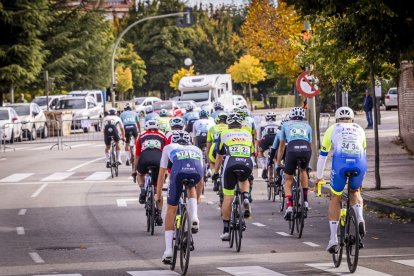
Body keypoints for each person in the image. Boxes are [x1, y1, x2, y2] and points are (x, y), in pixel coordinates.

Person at [316, 107, 367, 253]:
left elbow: (323, 156)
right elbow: (363, 153)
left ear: (337, 119)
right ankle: (360, 217)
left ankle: (333, 240)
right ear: (352, 119)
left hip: (340, 165)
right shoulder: (359, 129)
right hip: (359, 164)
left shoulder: (332, 129)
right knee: (355, 191)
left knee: (335, 196)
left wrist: (319, 178)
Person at [156, 130, 203, 264]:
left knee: (171, 210)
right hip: (195, 172)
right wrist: (198, 198)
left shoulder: (168, 147)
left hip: (178, 172)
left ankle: (168, 250)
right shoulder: (197, 149)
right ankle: (194, 216)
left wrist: (158, 194)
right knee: (191, 186)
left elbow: (161, 174)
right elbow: (201, 180)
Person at [212, 112, 254, 241]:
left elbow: (219, 156)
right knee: (244, 178)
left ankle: (226, 230)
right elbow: (252, 153)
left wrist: (215, 173)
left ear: (228, 124)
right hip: (247, 163)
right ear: (241, 124)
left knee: (228, 197)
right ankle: (246, 196)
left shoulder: (224, 133)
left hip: (231, 163)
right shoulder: (247, 134)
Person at [276, 107, 312, 220]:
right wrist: (308, 164)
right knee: (303, 170)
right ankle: (305, 201)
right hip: (306, 149)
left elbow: (281, 147)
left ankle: (290, 207)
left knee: (288, 179)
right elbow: (310, 145)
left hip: (292, 149)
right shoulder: (307, 126)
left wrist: (278, 163)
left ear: (290, 116)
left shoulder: (286, 125)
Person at [133, 119, 167, 227]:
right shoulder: (163, 136)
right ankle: (159, 214)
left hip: (144, 158)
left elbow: (137, 156)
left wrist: (134, 170)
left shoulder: (141, 136)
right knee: (159, 190)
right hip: (158, 160)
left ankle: (142, 188)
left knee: (140, 173)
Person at [206, 112, 228, 191]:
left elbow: (208, 147)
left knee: (212, 162)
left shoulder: (212, 128)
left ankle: (215, 174)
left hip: (214, 148)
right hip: (227, 148)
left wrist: (208, 160)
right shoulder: (229, 127)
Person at [256, 111, 279, 179]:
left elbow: (258, 139)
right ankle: (277, 166)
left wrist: (258, 149)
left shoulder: (261, 125)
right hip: (275, 139)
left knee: (260, 153)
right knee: (278, 153)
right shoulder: (279, 124)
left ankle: (263, 166)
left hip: (265, 139)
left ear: (266, 118)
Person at [268, 118, 289, 186]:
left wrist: (271, 160)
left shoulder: (279, 133)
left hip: (281, 151)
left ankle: (279, 177)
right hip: (291, 150)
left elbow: (274, 148)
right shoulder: (293, 132)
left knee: (277, 162)